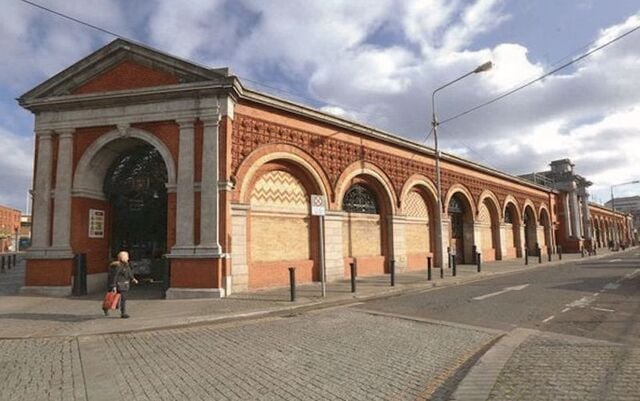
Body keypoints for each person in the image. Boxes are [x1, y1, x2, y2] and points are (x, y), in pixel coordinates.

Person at [104, 251, 138, 318]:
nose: (128, 258)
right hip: (118, 284)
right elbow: (114, 276)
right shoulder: (118, 266)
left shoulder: (127, 265)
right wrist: (113, 286)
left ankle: (123, 313)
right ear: (123, 258)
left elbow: (129, 273)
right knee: (112, 298)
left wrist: (133, 279)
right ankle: (106, 308)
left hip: (124, 285)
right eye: (127, 257)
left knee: (123, 299)